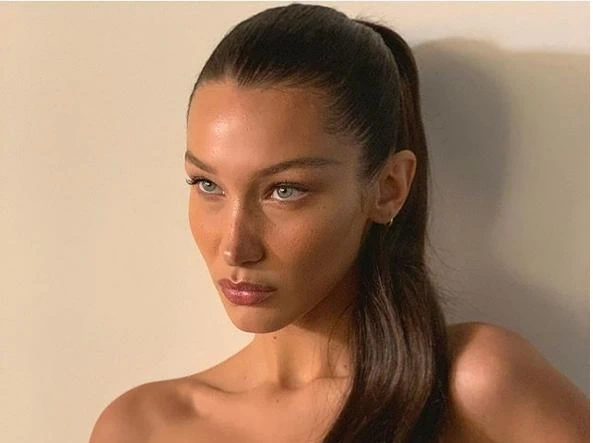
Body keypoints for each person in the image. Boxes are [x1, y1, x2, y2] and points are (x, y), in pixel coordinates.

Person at [89, 3, 589, 442]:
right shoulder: (141, 429)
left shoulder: (476, 386)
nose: (235, 246)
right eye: (207, 184)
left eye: (285, 190)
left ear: (388, 187)